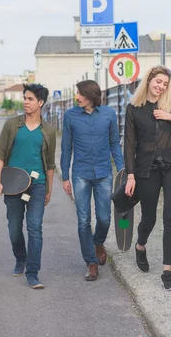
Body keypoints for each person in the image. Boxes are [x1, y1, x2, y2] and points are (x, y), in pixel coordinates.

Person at [124, 65, 171, 291]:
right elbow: (129, 144)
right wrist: (130, 175)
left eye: (165, 83)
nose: (161, 86)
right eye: (158, 81)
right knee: (149, 217)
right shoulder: (134, 108)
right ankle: (140, 246)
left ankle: (167, 271)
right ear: (149, 81)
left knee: (170, 217)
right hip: (146, 168)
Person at [0, 83, 56, 289]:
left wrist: (49, 189)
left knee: (35, 227)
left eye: (30, 99)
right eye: (25, 98)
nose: (25, 102)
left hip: (36, 184)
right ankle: (21, 257)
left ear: (40, 103)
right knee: (14, 227)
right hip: (13, 185)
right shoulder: (12, 125)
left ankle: (33, 272)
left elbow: (50, 163)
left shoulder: (48, 130)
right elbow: (0, 154)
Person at [60, 80, 124, 281]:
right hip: (80, 174)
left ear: (91, 95)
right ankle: (91, 262)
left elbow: (115, 143)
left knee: (104, 218)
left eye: (80, 94)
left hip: (104, 173)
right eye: (76, 93)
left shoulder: (108, 114)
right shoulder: (70, 116)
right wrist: (65, 176)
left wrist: (122, 172)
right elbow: (66, 147)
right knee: (83, 220)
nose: (77, 97)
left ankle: (98, 243)